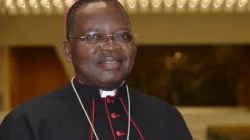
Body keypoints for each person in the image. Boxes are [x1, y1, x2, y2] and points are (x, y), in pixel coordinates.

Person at [0, 0, 193, 139]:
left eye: (122, 36)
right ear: (68, 51)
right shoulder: (26, 123)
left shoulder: (166, 116)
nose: (111, 47)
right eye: (93, 37)